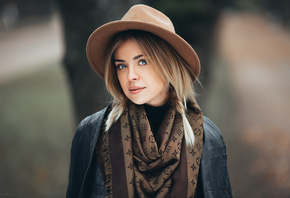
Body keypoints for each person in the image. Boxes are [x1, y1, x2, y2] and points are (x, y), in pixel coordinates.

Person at [66, 4, 232, 198]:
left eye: (142, 62)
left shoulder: (207, 138)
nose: (131, 76)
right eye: (121, 66)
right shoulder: (90, 133)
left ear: (168, 64)